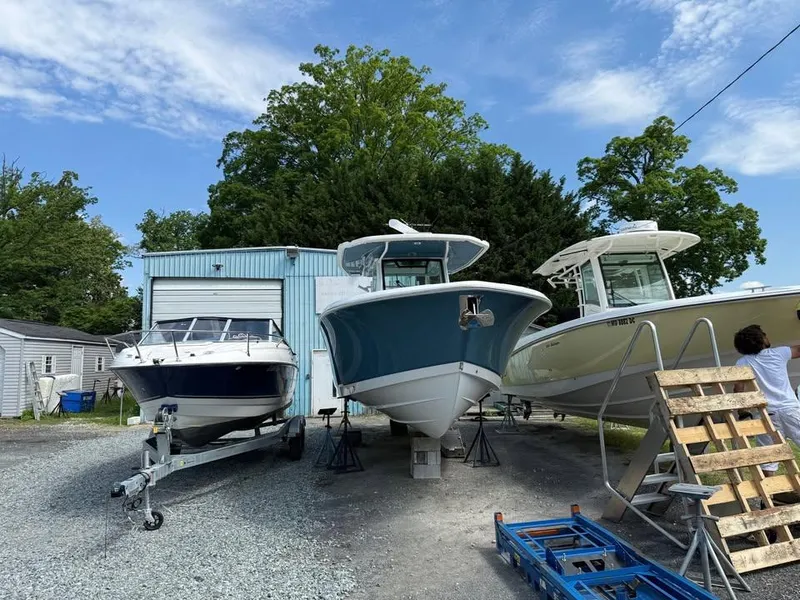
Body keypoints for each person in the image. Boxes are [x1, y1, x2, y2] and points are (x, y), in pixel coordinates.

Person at [733, 324, 800, 477]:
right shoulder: (779, 353)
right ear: (762, 339)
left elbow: (738, 389)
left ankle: (770, 497)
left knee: (768, 457)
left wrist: (743, 412)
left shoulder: (742, 363)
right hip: (790, 410)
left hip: (765, 414)